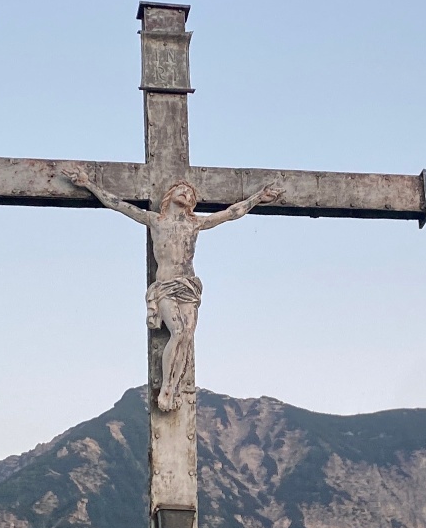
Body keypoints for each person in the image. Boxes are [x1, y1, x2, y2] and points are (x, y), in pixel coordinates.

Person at [61, 168, 283, 411]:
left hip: (188, 286)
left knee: (186, 336)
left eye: (191, 194)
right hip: (166, 286)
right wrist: (88, 184)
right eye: (182, 190)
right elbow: (119, 205)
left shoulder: (195, 223)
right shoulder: (156, 220)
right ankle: (166, 387)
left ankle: (175, 388)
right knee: (177, 331)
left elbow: (231, 213)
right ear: (170, 195)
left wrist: (258, 197)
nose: (187, 194)